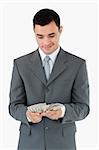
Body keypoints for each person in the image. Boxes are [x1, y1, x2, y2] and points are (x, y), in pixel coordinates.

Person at [9, 8, 90, 150]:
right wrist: (27, 114)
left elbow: (83, 108)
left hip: (63, 144)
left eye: (51, 35)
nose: (46, 42)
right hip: (29, 143)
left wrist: (63, 111)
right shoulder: (20, 64)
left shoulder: (77, 65)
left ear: (61, 30)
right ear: (34, 33)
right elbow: (14, 106)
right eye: (40, 36)